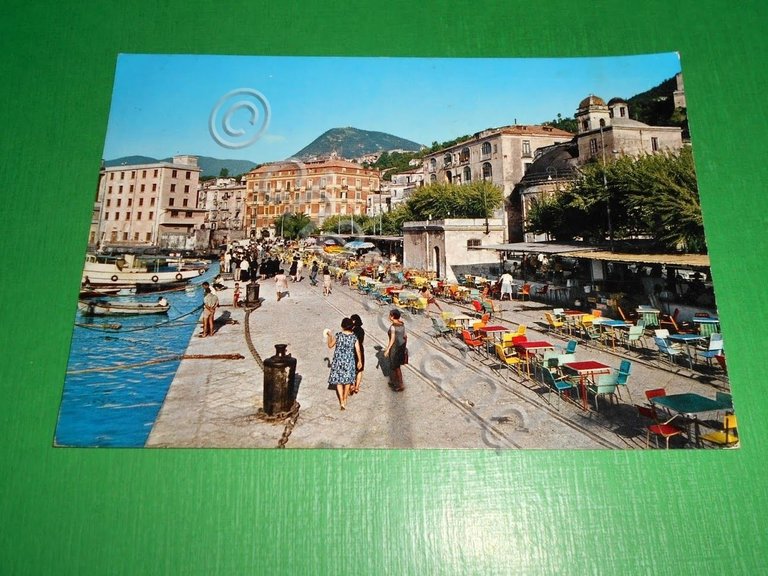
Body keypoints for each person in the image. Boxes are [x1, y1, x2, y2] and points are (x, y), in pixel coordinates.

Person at [326, 317, 362, 410]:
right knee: (347, 381)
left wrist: (329, 336)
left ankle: (341, 400)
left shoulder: (338, 335)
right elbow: (358, 350)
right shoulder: (354, 337)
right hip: (349, 361)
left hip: (338, 360)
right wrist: (360, 361)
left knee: (339, 381)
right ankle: (345, 399)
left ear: (342, 326)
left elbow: (330, 346)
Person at [384, 309, 407, 391]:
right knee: (395, 366)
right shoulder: (402, 324)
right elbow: (405, 336)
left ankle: (400, 384)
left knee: (396, 367)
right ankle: (394, 380)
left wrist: (387, 349)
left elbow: (392, 339)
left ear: (393, 316)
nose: (389, 316)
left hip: (395, 349)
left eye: (390, 315)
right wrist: (404, 348)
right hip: (401, 348)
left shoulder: (393, 327)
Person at [349, 314, 365, 395]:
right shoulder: (362, 331)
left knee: (352, 369)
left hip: (353, 351)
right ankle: (357, 387)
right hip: (361, 350)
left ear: (354, 321)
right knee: (360, 370)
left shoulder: (352, 331)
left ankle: (352, 385)